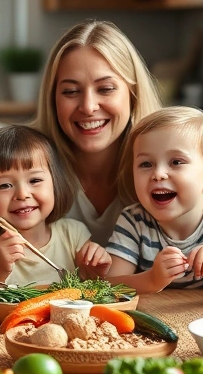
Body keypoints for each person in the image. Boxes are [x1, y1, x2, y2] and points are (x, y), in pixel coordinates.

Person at [105, 107, 203, 301]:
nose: (158, 174)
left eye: (176, 162)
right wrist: (152, 279)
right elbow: (108, 286)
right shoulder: (133, 220)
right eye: (146, 164)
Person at [32, 20, 162, 245]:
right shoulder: (26, 163)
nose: (88, 106)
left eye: (105, 89)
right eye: (71, 91)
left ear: (133, 94)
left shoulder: (168, 166)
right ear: (53, 99)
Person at [0, 125, 111, 286]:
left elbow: (90, 291)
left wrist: (95, 273)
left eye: (34, 180)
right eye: (5, 185)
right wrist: (0, 268)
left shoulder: (74, 235)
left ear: (55, 184)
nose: (22, 194)